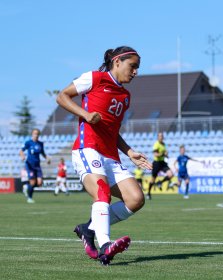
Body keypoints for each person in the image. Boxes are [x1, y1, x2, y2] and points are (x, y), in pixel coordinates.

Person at [56, 46, 152, 265]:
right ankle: (106, 245)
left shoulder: (125, 97)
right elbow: (62, 96)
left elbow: (112, 131)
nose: (136, 72)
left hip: (111, 155)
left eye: (137, 68)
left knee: (136, 199)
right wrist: (86, 115)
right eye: (133, 66)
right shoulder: (95, 78)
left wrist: (129, 152)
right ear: (117, 62)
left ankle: (88, 229)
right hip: (87, 148)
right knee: (102, 193)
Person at [19, 128, 51, 203]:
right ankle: (29, 198)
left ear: (39, 135)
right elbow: (21, 151)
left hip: (37, 165)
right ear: (32, 134)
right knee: (33, 182)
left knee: (39, 183)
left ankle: (26, 186)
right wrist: (22, 156)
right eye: (34, 133)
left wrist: (47, 158)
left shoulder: (40, 144)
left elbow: (43, 153)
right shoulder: (28, 143)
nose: (36, 135)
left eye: (37, 134)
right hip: (30, 165)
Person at [146, 132, 173, 200]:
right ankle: (148, 193)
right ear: (158, 137)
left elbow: (164, 153)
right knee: (152, 180)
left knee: (170, 175)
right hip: (156, 163)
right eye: (160, 136)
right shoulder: (156, 144)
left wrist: (166, 154)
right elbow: (155, 154)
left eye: (162, 136)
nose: (161, 137)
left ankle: (159, 182)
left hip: (162, 163)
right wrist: (163, 153)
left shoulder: (164, 144)